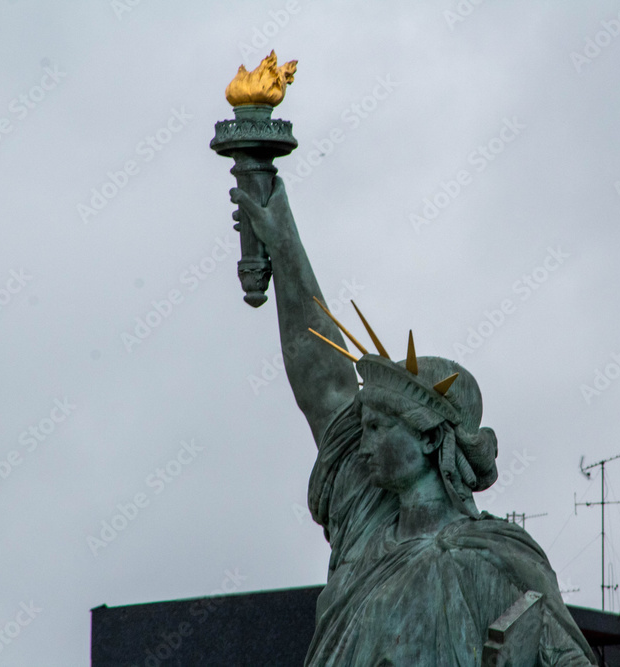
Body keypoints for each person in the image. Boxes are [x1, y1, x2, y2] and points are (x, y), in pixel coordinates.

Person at [232, 178, 596, 666]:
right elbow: (322, 382)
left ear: (427, 438)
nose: (363, 447)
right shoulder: (367, 522)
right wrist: (283, 243)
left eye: (379, 429)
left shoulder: (500, 557)